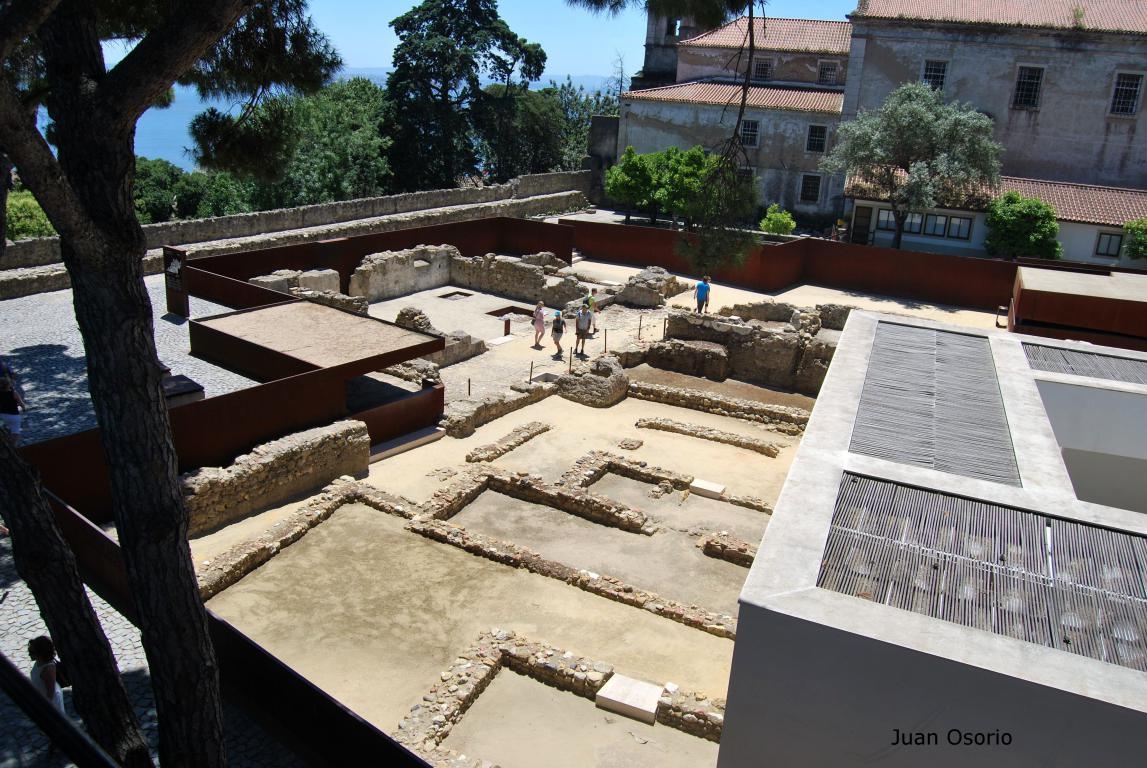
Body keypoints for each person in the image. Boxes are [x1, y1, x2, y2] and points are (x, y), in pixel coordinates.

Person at [27, 635, 65, 714]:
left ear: (41, 653)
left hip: (52, 706)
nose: (29, 655)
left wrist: (44, 709)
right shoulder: (39, 662)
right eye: (29, 651)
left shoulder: (48, 669)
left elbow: (50, 692)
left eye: (32, 652)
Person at [0, 367, 25, 444]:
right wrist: (23, 408)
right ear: (9, 385)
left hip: (1, 415)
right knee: (15, 431)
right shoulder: (14, 393)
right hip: (13, 415)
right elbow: (21, 403)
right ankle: (13, 446)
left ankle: (3, 440)